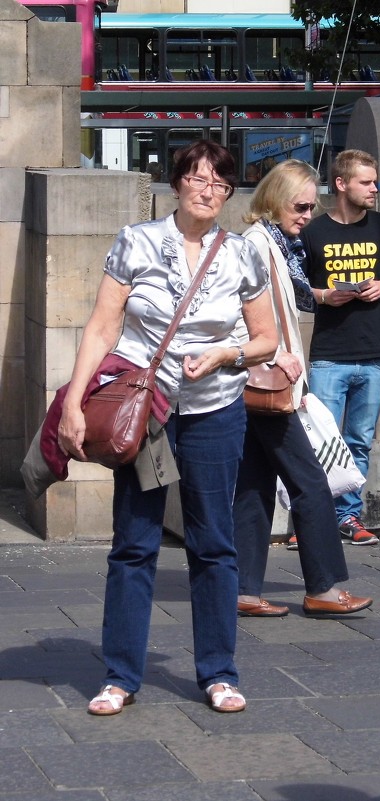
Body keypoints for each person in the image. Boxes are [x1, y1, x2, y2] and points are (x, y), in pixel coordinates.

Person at [57, 141, 278, 716]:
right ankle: (120, 674)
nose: (208, 190)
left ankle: (219, 672)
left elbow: (266, 339)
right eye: (198, 178)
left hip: (216, 409)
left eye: (220, 183)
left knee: (213, 542)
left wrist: (227, 355)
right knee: (134, 541)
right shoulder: (138, 241)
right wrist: (75, 402)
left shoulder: (243, 254)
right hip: (146, 411)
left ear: (230, 194)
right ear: (176, 182)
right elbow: (103, 328)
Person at [233, 159, 374, 617]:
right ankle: (324, 587)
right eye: (300, 206)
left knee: (254, 486)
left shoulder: (276, 243)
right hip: (269, 380)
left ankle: (243, 590)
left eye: (312, 207)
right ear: (275, 199)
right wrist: (275, 356)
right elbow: (240, 312)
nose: (306, 216)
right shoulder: (258, 243)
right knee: (312, 483)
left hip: (265, 382)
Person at [300, 149, 380, 545]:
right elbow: (300, 291)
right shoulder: (313, 232)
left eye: (375, 181)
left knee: (359, 440)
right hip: (330, 353)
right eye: (366, 182)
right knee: (321, 441)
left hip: (376, 350)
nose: (375, 189)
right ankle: (313, 519)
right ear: (342, 184)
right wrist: (326, 296)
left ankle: (347, 516)